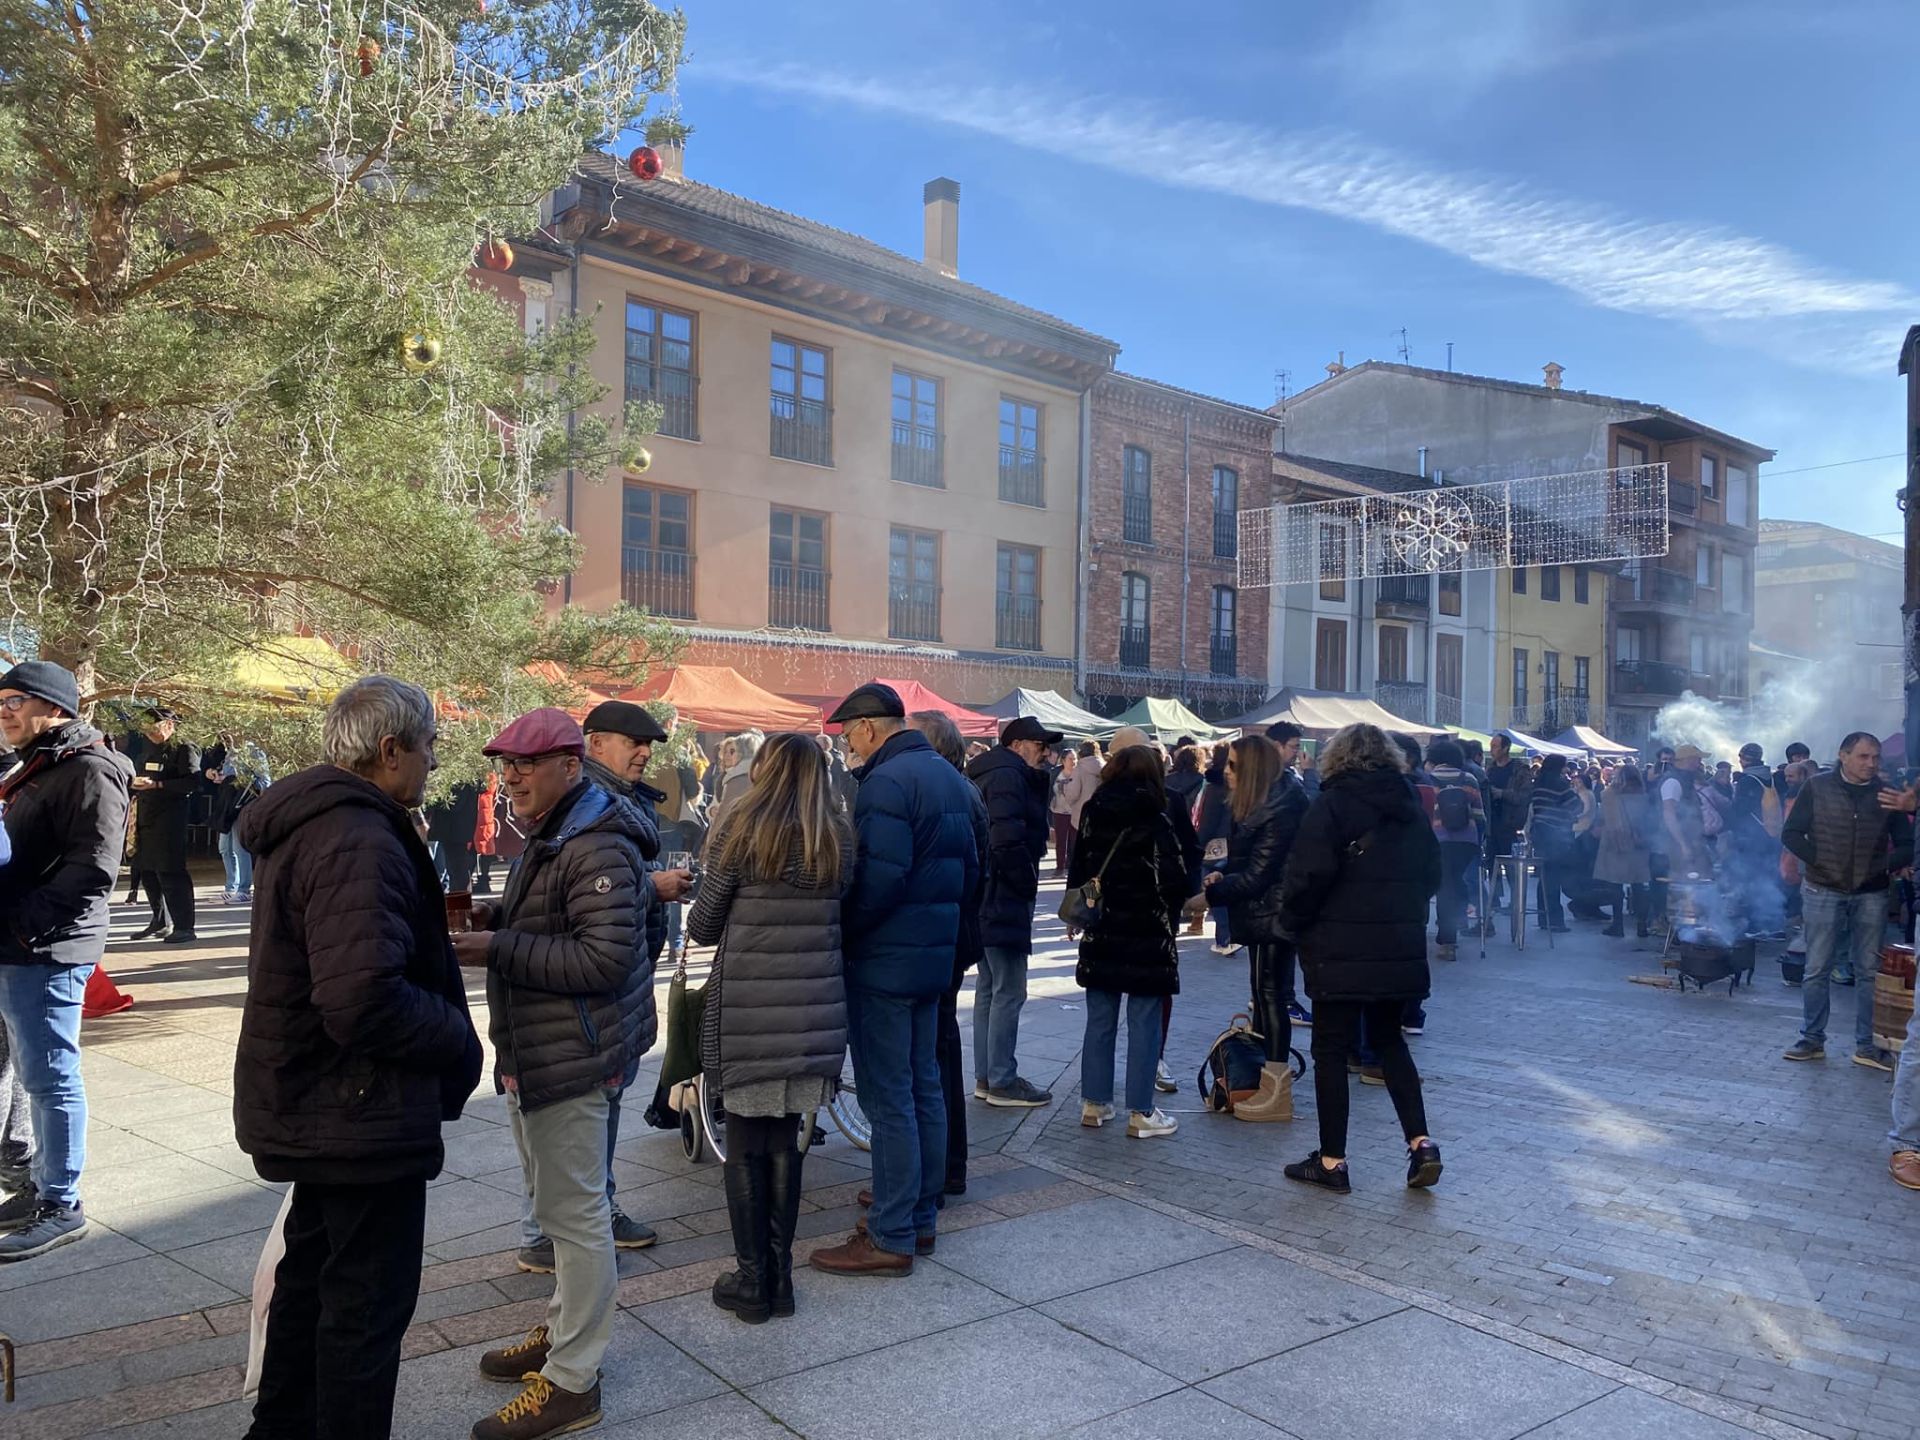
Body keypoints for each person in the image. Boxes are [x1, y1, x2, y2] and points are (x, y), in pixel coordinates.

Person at [232, 675, 483, 1438]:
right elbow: (361, 997)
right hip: (357, 1113)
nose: (435, 764)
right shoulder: (357, 835)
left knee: (311, 1285)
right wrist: (456, 1036)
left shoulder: (326, 820)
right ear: (389, 750)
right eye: (430, 746)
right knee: (362, 1312)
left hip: (323, 1105)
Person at [457, 708, 653, 1440]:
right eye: (505, 763)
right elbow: (555, 924)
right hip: (544, 1051)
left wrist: (495, 946)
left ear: (570, 764)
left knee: (574, 1220)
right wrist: (496, 914)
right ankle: (563, 1332)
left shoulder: (595, 841)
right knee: (559, 1211)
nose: (511, 776)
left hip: (573, 1053)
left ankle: (572, 1381)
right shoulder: (560, 830)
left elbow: (603, 960)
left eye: (526, 763)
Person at [498, 699, 689, 1265]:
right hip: (577, 1016)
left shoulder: (589, 811)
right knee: (580, 1127)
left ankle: (569, 1224)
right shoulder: (584, 812)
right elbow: (589, 935)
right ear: (593, 746)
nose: (644, 753)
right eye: (633, 742)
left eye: (649, 744)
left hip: (591, 1009)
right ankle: (568, 1231)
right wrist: (649, 888)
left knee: (583, 1126)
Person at [810, 685, 981, 1277]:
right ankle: (919, 1218)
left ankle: (891, 1231)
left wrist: (845, 934)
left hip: (885, 961)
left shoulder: (886, 782)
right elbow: (973, 872)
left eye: (847, 734)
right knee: (923, 1087)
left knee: (890, 1099)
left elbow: (878, 880)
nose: (847, 747)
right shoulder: (950, 777)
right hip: (931, 957)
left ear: (867, 728)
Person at [687, 734, 852, 1323]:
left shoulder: (741, 826)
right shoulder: (836, 835)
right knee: (786, 1139)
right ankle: (778, 1277)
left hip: (750, 1015)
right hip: (814, 1011)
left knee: (745, 1145)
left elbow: (705, 924)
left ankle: (753, 1281)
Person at [0, 660, 133, 1260]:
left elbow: (94, 870)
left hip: (48, 947)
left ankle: (61, 1203)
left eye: (16, 700)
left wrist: (24, 926)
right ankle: (40, 1184)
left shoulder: (89, 769)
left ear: (54, 707)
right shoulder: (38, 765)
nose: (5, 710)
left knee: (51, 1074)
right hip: (20, 943)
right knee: (32, 1070)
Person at [1279, 723, 1443, 1194]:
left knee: (1331, 1048)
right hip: (1397, 944)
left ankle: (1332, 1160)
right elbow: (1432, 874)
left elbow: (1307, 875)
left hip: (1338, 946)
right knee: (1390, 1042)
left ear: (1337, 757)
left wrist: (1291, 922)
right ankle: (1421, 1144)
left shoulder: (1330, 804)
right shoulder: (1410, 805)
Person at [1068, 745, 1187, 1139]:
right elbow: (1174, 878)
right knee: (1144, 1022)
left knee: (1099, 1019)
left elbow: (1080, 865)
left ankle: (1095, 1103)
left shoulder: (1093, 809)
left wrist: (1079, 913)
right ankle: (1141, 1111)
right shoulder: (1156, 815)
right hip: (1146, 930)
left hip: (1102, 926)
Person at [1781, 733, 1912, 1069]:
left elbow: (1907, 843)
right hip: (1822, 888)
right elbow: (1791, 833)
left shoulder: (1886, 794)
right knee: (1816, 968)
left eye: (1876, 758)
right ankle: (1812, 1039)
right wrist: (1818, 860)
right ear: (1844, 756)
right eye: (1864, 757)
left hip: (1872, 891)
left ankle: (1867, 1045)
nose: (1871, 764)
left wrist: (1882, 867)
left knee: (1868, 971)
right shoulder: (1817, 787)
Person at [1203, 735, 1310, 1121]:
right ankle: (1266, 1078)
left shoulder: (1279, 807)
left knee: (1271, 996)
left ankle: (1276, 1089)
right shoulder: (1265, 803)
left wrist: (1214, 893)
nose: (1226, 773)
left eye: (1232, 766)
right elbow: (1247, 864)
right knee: (1263, 996)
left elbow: (1259, 875)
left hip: (1274, 913)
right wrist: (1222, 874)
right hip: (1267, 910)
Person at [908, 711, 990, 1198]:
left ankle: (937, 1170)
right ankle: (945, 1165)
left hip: (940, 938)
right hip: (954, 936)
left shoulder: (944, 793)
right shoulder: (965, 791)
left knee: (932, 1054)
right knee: (941, 1049)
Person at [966, 715, 1061, 1109]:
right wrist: (1023, 883)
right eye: (1041, 746)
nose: (1046, 754)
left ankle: (989, 1075)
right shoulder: (1008, 776)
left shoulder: (995, 773)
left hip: (988, 894)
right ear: (1019, 744)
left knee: (991, 987)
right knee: (1007, 989)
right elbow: (1007, 841)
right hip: (1001, 895)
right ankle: (1001, 1078)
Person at [127, 706, 200, 943]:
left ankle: (184, 926)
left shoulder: (184, 748)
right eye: (146, 729)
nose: (149, 733)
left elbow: (191, 782)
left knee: (171, 872)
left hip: (169, 820)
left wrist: (158, 786)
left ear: (169, 725)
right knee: (146, 870)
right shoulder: (148, 748)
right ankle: (158, 920)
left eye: (154, 728)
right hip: (145, 816)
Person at [1425, 739, 1485, 960]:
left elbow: (1426, 813)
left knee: (1444, 887)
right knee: (1453, 880)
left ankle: (1448, 941)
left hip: (1439, 840)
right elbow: (1479, 815)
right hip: (1467, 842)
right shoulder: (1469, 778)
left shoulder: (1429, 779)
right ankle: (1458, 918)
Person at [1730, 742, 1786, 939]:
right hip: (1772, 836)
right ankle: (1775, 923)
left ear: (1744, 758)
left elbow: (1740, 811)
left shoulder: (1747, 781)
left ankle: (1757, 925)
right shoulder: (1771, 777)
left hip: (1752, 839)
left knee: (1754, 881)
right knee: (1770, 880)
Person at [1593, 763, 1654, 938]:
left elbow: (1603, 818)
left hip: (1615, 843)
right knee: (1639, 885)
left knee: (1615, 885)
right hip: (1638, 845)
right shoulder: (1644, 798)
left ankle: (1617, 925)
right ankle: (1642, 925)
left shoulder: (1611, 797)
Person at [209, 736, 269, 904]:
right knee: (224, 847)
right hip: (228, 804)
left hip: (242, 804)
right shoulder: (230, 753)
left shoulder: (253, 752)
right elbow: (227, 775)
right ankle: (231, 886)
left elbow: (264, 781)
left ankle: (244, 889)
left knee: (239, 847)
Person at [1527, 754, 1581, 933]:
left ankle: (1543, 918)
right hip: (1555, 835)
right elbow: (1576, 805)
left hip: (1539, 833)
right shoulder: (1560, 784)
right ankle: (1556, 921)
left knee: (1544, 877)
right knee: (1553, 878)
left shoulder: (1538, 783)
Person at [1195, 742, 1238, 956]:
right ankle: (1230, 936)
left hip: (1217, 845)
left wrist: (1199, 844)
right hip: (1237, 842)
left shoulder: (1215, 786)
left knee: (1215, 890)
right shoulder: (1243, 784)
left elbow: (1208, 820)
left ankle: (1225, 939)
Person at [1483, 733, 1527, 911]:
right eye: (1491, 746)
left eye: (1495, 746)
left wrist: (1502, 793)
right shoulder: (1490, 769)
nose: (1492, 750)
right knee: (1492, 864)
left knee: (1511, 867)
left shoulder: (1519, 770)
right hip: (1492, 823)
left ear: (1506, 748)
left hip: (1509, 824)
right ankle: (1495, 900)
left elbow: (1524, 796)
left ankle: (1516, 901)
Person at [1660, 745, 1714, 881]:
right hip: (1679, 844)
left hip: (1693, 841)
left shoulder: (1685, 781)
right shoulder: (1672, 782)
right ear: (1687, 760)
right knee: (1683, 885)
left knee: (1701, 881)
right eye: (1697, 759)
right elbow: (1669, 815)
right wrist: (1683, 845)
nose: (1700, 763)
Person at [707, 731, 762, 842]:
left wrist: (709, 847)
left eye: (733, 751)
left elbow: (724, 816)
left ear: (741, 752)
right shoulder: (762, 774)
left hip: (737, 841)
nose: (730, 755)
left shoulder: (737, 778)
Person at [1048, 747, 1077, 877]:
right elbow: (1049, 792)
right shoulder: (1055, 773)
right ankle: (1060, 867)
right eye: (1070, 759)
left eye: (1075, 758)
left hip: (1075, 812)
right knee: (1061, 841)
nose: (1073, 761)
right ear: (1063, 760)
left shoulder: (1079, 774)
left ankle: (1071, 867)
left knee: (1074, 841)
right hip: (1059, 811)